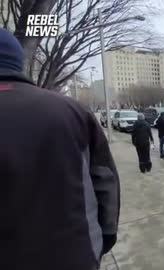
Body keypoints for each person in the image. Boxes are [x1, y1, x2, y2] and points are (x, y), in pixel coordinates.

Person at [0, 29, 120, 270]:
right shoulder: (71, 111)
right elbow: (106, 183)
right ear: (18, 62)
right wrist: (101, 242)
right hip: (73, 255)